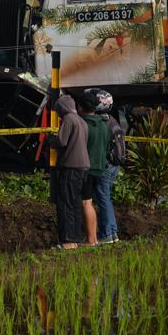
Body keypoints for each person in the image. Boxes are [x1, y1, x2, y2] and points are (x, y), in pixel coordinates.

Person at [49, 94, 89, 249]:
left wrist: (49, 139)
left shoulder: (68, 119)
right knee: (75, 204)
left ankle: (67, 241)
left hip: (70, 167)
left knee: (65, 204)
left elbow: (61, 141)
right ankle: (76, 239)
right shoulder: (81, 121)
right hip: (83, 167)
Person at [87, 88, 123, 243]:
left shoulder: (102, 122)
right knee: (106, 198)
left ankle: (107, 235)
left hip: (106, 166)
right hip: (115, 165)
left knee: (103, 199)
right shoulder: (112, 120)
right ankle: (113, 233)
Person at [78, 93, 104, 247]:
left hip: (86, 168)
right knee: (90, 202)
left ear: (80, 107)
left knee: (86, 203)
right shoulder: (102, 123)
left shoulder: (83, 124)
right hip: (99, 167)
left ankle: (91, 239)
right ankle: (93, 238)